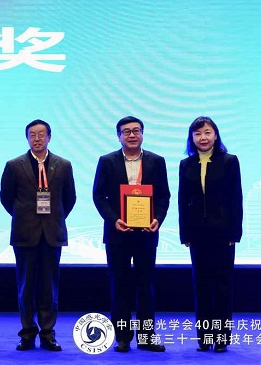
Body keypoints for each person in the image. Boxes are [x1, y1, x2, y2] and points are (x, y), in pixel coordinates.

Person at [92, 116, 170, 353]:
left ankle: (146, 337)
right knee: (120, 286)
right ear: (119, 137)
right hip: (118, 233)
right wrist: (114, 219)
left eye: (136, 130)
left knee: (146, 286)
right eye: (126, 131)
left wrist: (157, 219)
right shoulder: (107, 161)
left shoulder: (156, 161)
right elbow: (99, 196)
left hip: (147, 233)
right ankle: (123, 337)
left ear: (143, 134)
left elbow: (164, 196)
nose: (132, 135)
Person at [0, 119, 76, 352]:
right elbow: (6, 198)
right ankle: (27, 333)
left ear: (49, 137)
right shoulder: (14, 165)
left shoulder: (64, 165)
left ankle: (48, 334)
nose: (37, 138)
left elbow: (69, 198)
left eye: (41, 134)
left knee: (49, 286)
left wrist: (52, 218)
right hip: (24, 233)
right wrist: (26, 217)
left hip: (52, 232)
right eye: (32, 135)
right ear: (27, 138)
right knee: (26, 286)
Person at [179, 116, 243, 353]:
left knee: (222, 286)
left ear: (215, 135)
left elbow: (236, 199)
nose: (203, 138)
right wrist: (185, 233)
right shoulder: (186, 164)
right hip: (197, 235)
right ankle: (205, 338)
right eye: (197, 134)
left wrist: (235, 232)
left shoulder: (229, 161)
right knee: (202, 286)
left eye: (207, 132)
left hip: (223, 234)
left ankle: (222, 337)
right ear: (192, 138)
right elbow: (183, 201)